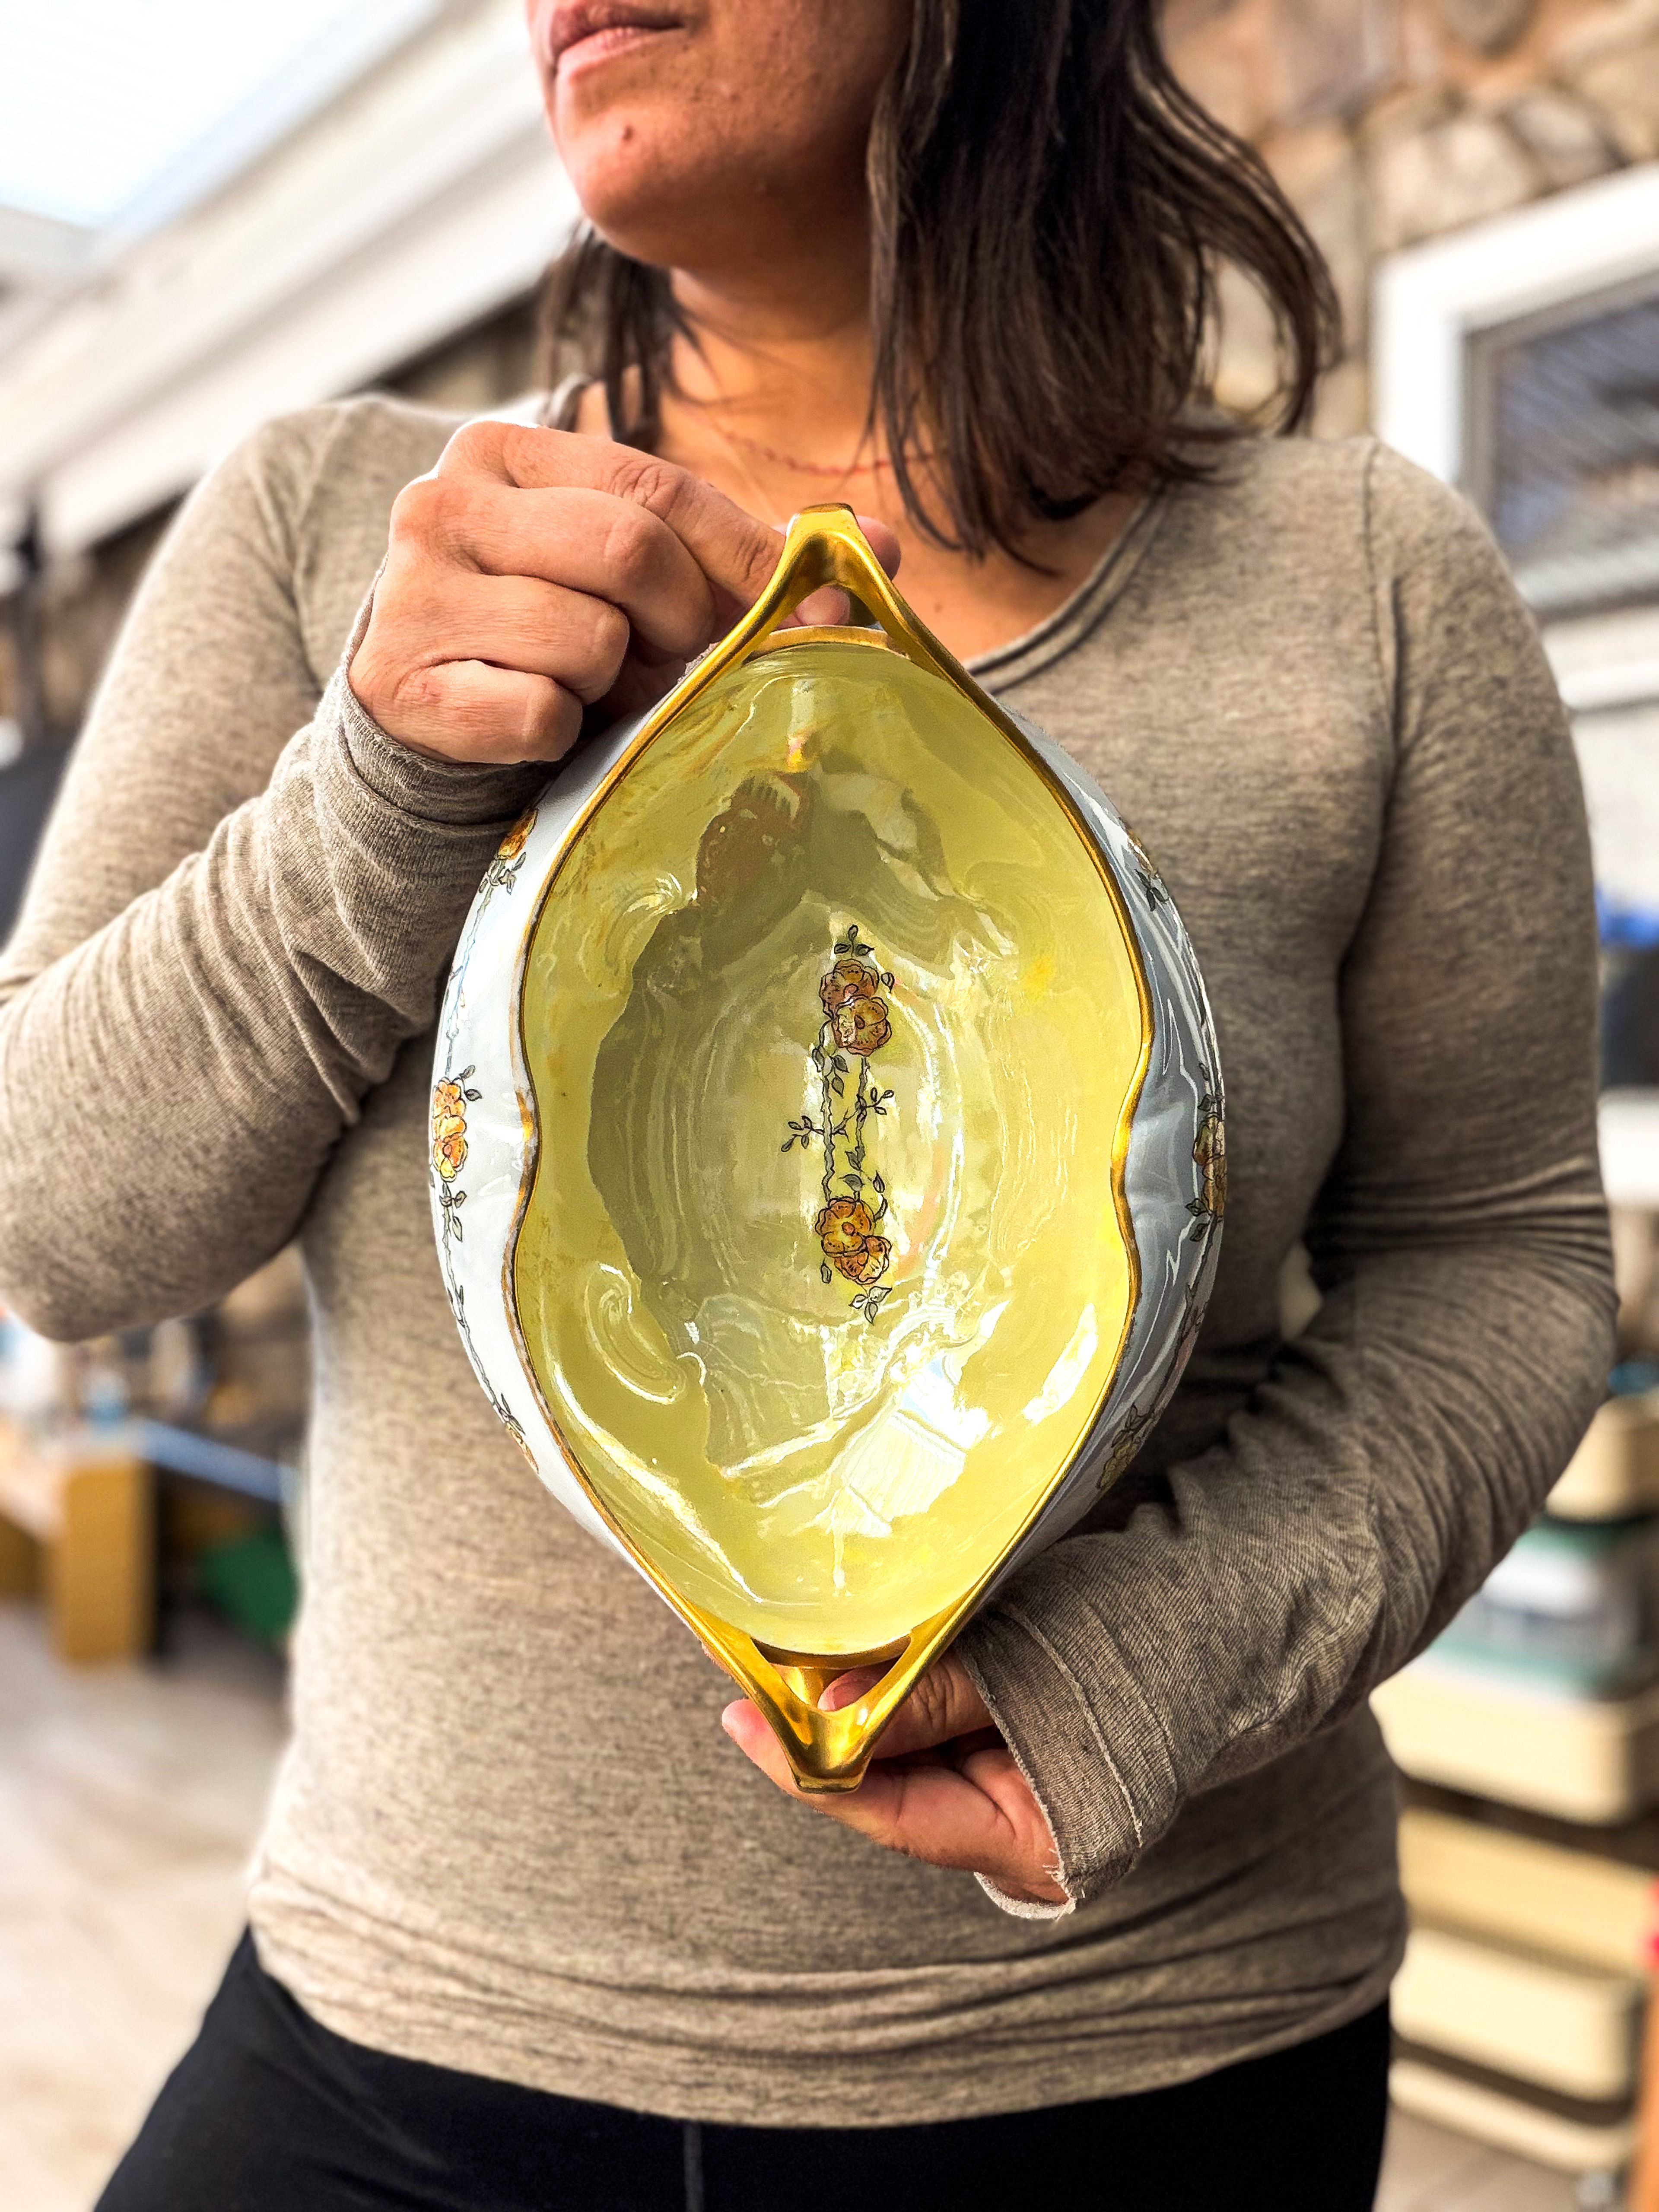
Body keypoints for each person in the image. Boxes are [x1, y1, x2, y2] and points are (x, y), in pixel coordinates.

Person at [0, 3, 1613, 2207]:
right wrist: (378, 786)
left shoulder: (1367, 582)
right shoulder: (331, 527)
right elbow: (52, 1229)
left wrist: (1140, 1673)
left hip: (1138, 2062)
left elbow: (1501, 1261)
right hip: (404, 2035)